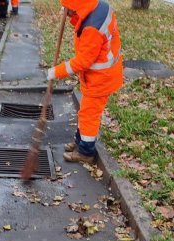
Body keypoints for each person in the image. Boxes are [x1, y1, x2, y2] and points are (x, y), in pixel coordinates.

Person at [47, 0, 123, 164]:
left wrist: (56, 72)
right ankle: (81, 141)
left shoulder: (91, 29)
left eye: (68, 9)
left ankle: (86, 152)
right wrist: (73, 14)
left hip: (101, 78)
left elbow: (82, 61)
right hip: (101, 74)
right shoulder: (98, 6)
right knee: (86, 111)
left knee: (89, 115)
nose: (65, 12)